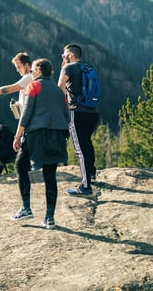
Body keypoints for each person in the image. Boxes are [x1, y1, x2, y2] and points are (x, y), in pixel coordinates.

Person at [10, 58, 69, 229]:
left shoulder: (33, 86)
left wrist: (18, 135)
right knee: (50, 176)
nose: (31, 72)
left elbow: (26, 113)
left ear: (40, 71)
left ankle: (26, 208)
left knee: (21, 166)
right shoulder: (59, 91)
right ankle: (49, 218)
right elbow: (66, 115)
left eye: (33, 69)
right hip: (57, 135)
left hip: (37, 133)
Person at [0, 52, 40, 170]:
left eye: (19, 67)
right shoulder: (30, 78)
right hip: (29, 120)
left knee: (26, 152)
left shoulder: (28, 77)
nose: (18, 70)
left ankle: (33, 170)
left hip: (30, 121)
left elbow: (8, 89)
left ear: (27, 65)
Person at [58, 44, 99, 197]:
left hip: (77, 112)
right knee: (87, 142)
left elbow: (60, 86)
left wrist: (65, 105)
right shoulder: (86, 68)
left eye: (64, 55)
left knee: (80, 149)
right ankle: (92, 174)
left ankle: (85, 187)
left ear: (71, 55)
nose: (62, 58)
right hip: (93, 112)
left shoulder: (68, 68)